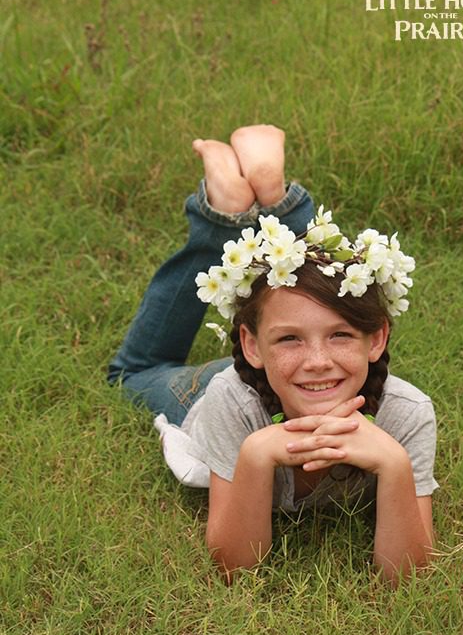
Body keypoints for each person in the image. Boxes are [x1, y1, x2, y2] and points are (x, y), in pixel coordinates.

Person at [108, 124, 438, 584]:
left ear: (377, 339)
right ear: (250, 345)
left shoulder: (408, 415)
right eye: (290, 339)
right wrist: (256, 455)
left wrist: (395, 465)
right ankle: (220, 221)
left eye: (341, 336)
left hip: (278, 378)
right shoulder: (231, 402)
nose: (318, 360)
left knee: (304, 291)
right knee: (133, 374)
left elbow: (408, 576)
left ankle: (261, 197)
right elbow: (235, 568)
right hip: (221, 388)